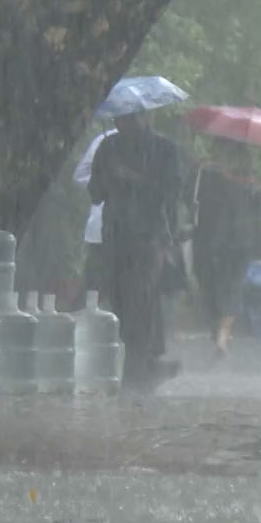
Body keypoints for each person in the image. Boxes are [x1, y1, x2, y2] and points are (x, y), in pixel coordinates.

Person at [87, 110, 185, 390]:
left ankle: (137, 370)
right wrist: (108, 177)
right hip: (114, 236)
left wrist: (131, 178)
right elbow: (95, 193)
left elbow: (170, 192)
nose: (124, 124)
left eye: (131, 118)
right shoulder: (108, 147)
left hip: (149, 238)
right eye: (120, 118)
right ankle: (144, 364)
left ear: (146, 117)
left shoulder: (164, 149)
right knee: (120, 301)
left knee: (141, 300)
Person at [189, 142, 261, 357]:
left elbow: (191, 199)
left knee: (210, 285)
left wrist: (199, 169)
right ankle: (223, 333)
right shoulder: (254, 187)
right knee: (233, 287)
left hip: (210, 241)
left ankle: (217, 328)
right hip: (240, 243)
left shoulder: (209, 178)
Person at [72, 123, 115, 295]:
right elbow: (80, 175)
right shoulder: (105, 140)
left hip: (102, 227)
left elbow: (80, 176)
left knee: (94, 288)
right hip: (105, 226)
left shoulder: (104, 139)